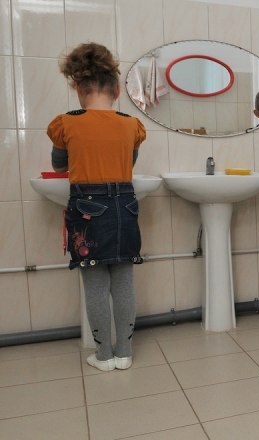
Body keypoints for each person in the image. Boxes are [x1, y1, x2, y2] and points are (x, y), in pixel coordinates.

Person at [48, 43, 146, 371]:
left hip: (87, 209)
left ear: (78, 87)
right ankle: (125, 353)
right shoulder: (131, 125)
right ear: (117, 90)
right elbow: (128, 164)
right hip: (125, 207)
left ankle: (103, 356)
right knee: (124, 281)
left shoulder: (65, 123)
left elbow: (59, 166)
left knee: (95, 284)